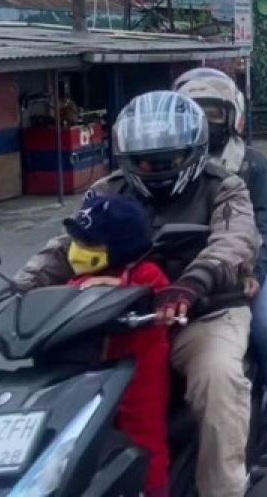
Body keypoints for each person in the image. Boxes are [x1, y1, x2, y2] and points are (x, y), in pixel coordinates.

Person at [0, 91, 260, 497]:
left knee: (217, 378)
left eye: (164, 161)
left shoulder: (223, 186)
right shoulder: (107, 190)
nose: (151, 168)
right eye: (142, 161)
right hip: (111, 315)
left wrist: (191, 283)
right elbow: (65, 248)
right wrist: (9, 298)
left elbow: (235, 241)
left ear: (193, 152)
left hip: (201, 312)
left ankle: (222, 490)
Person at [175, 68, 267, 471]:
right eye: (191, 113)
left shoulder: (252, 166)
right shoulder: (167, 163)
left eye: (211, 113)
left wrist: (256, 273)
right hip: (175, 275)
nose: (202, 123)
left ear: (232, 116)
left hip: (243, 271)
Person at [63, 193, 172, 497]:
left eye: (88, 244)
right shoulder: (79, 280)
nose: (78, 251)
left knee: (146, 440)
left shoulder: (145, 273)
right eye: (78, 243)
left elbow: (161, 297)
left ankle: (156, 491)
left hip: (139, 370)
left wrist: (122, 289)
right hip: (92, 371)